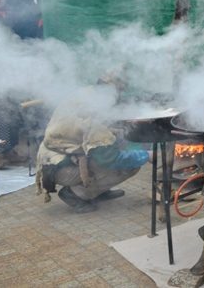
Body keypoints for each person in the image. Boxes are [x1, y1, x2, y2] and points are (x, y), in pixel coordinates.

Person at [36, 83, 149, 214]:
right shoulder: (92, 123)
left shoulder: (84, 95)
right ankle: (74, 194)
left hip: (52, 158)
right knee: (129, 166)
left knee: (110, 148)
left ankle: (98, 192)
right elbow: (110, 159)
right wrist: (146, 155)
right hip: (60, 167)